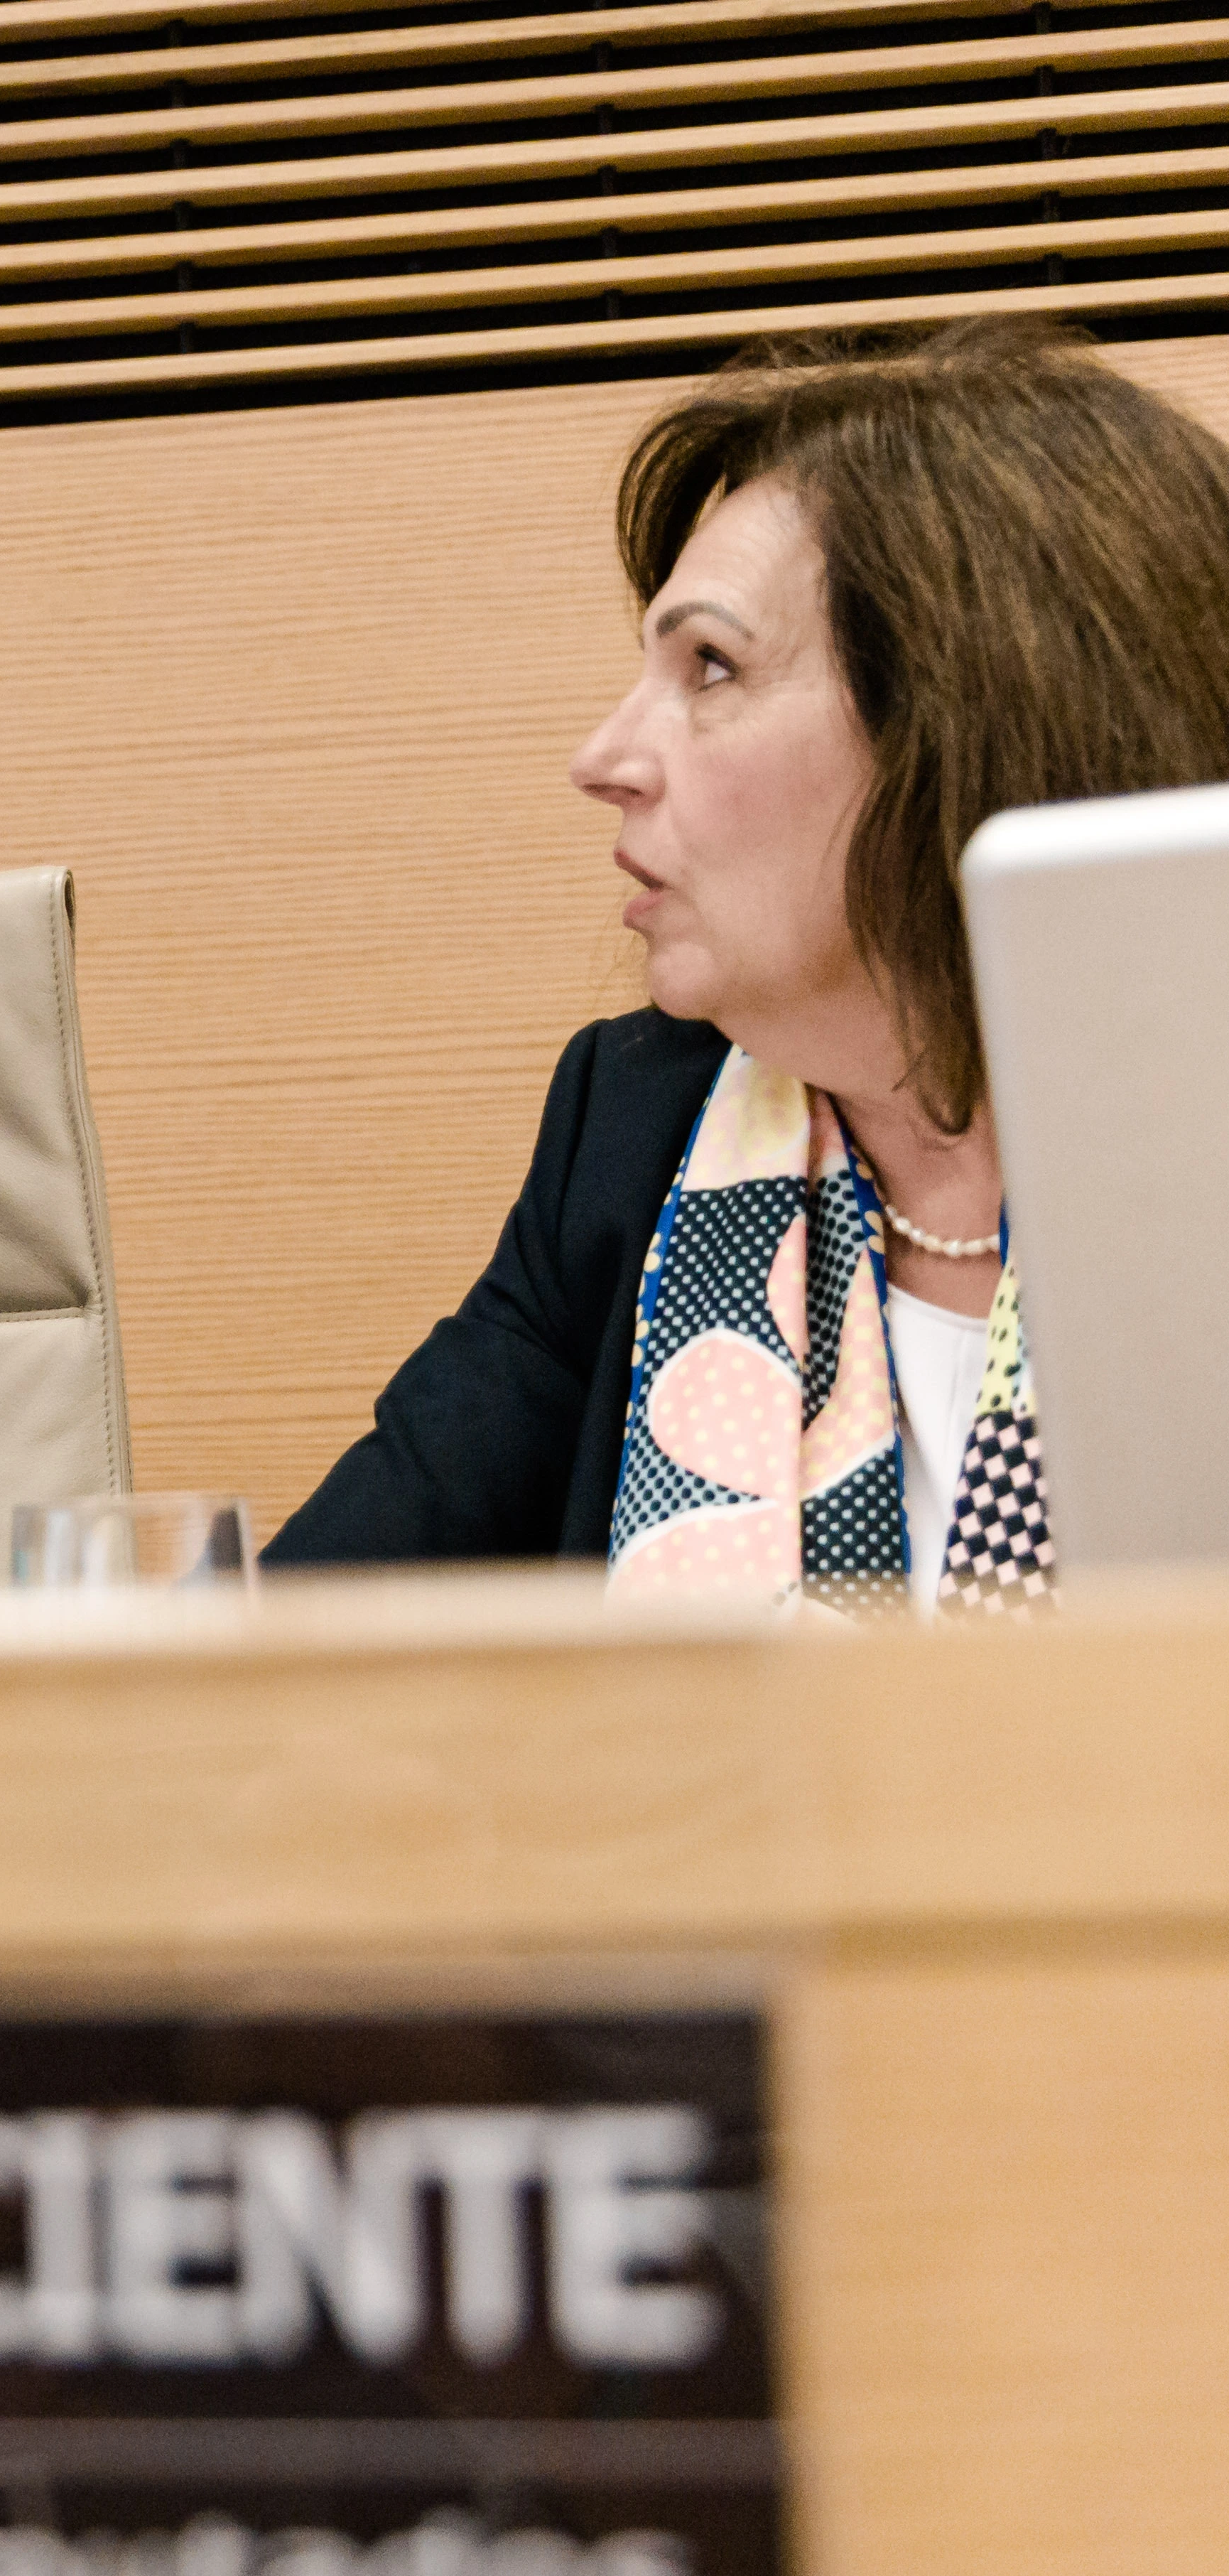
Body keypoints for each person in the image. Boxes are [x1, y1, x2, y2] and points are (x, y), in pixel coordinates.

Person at [272, 320, 1229, 1611]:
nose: (604, 756)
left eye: (709, 667)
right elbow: (294, 1634)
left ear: (962, 721)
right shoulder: (632, 1134)